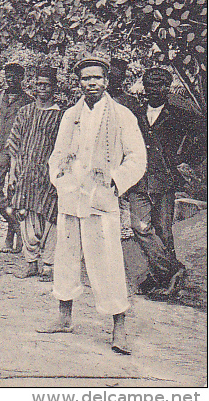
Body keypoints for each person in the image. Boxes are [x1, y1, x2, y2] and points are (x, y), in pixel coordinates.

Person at [39, 55, 146, 356]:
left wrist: (114, 181)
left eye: (96, 78)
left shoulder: (122, 115)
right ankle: (64, 317)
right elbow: (58, 153)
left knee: (107, 262)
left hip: (100, 196)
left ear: (106, 81)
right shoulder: (71, 115)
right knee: (67, 256)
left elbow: (137, 158)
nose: (91, 83)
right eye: (86, 79)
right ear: (79, 83)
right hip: (71, 195)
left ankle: (119, 328)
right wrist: (59, 178)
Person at [129, 67, 205, 296]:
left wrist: (183, 160)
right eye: (150, 84)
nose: (154, 89)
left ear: (168, 87)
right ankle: (171, 271)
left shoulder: (180, 113)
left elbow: (204, 137)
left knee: (162, 230)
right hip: (138, 179)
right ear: (144, 86)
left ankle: (160, 280)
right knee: (139, 226)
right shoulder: (135, 112)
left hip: (165, 179)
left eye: (160, 84)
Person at [6, 67, 64, 281]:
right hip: (25, 174)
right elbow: (14, 144)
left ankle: (48, 265)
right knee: (26, 217)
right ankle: (31, 262)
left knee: (50, 219)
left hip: (49, 177)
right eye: (39, 84)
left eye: (46, 85)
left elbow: (65, 148)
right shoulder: (25, 112)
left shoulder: (60, 117)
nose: (42, 88)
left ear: (54, 87)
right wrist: (13, 173)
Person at [0, 62, 32, 252]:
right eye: (8, 75)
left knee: (14, 197)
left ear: (22, 78)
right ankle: (17, 226)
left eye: (14, 75)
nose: (10, 79)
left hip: (18, 153)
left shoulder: (29, 100)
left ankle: (10, 241)